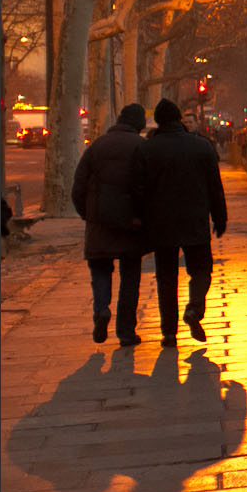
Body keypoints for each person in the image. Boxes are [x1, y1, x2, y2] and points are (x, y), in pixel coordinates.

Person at [135, 97, 226, 345]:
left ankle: (168, 332)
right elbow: (214, 187)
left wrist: (139, 220)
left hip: (161, 224)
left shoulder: (147, 149)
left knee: (166, 277)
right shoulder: (201, 147)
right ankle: (194, 308)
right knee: (201, 270)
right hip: (194, 220)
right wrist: (220, 217)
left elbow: (139, 190)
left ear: (159, 121)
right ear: (178, 120)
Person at [71, 103, 151, 345]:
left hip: (100, 223)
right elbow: (149, 188)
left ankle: (101, 309)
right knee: (130, 277)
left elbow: (78, 186)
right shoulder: (142, 147)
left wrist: (88, 214)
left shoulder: (96, 147)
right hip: (132, 224)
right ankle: (126, 331)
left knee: (100, 270)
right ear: (139, 125)